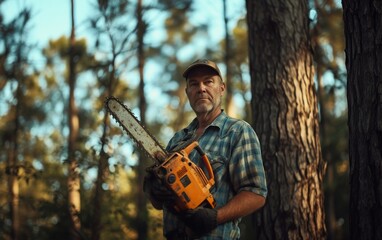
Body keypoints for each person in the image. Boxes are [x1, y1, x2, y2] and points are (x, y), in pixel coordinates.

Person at [144, 59, 267, 239]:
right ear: (187, 92)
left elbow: (256, 193)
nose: (201, 88)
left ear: (221, 88)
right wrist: (155, 190)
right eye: (194, 84)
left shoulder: (237, 132)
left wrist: (215, 217)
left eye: (208, 82)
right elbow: (157, 204)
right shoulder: (178, 139)